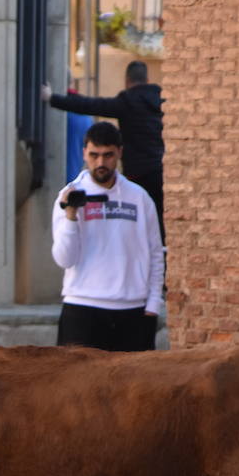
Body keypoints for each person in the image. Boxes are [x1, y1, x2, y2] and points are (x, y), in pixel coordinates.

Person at [50, 121, 164, 352]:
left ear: (119, 153)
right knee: (79, 386)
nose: (100, 163)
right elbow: (64, 259)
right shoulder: (69, 196)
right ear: (84, 153)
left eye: (108, 155)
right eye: (94, 155)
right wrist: (71, 215)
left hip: (133, 309)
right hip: (82, 306)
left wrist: (153, 304)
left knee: (133, 387)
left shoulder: (139, 197)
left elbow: (155, 252)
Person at [41, 60, 165, 243]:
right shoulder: (162, 103)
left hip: (137, 175)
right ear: (147, 79)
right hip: (161, 173)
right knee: (159, 226)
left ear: (127, 81)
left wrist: (52, 98)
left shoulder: (127, 102)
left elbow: (90, 105)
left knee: (135, 225)